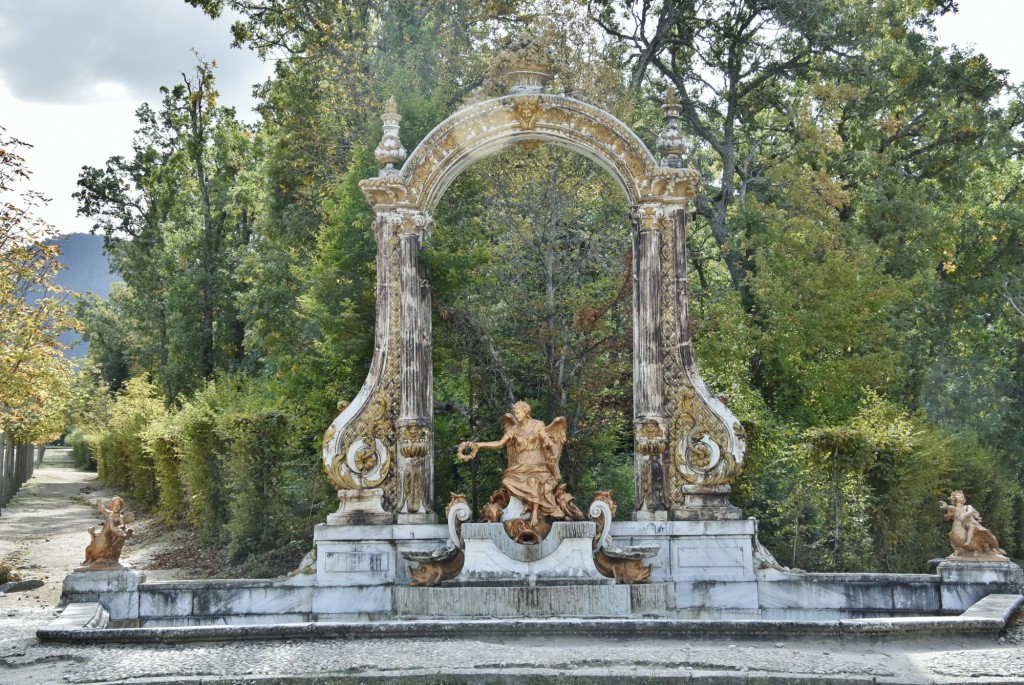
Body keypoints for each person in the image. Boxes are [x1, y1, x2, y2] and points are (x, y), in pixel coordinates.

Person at [458, 401, 569, 526]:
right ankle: (527, 504)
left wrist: (554, 454)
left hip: (537, 464)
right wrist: (480, 444)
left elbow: (549, 443)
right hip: (520, 465)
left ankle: (534, 514)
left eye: (518, 413)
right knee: (506, 480)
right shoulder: (513, 430)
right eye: (515, 413)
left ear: (526, 412)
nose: (516, 416)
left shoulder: (537, 425)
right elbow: (500, 444)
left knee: (533, 481)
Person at [938, 490, 1007, 560]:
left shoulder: (968, 506)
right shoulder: (954, 509)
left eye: (962, 496)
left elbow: (970, 512)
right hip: (963, 525)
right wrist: (947, 511)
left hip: (971, 523)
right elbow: (947, 516)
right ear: (953, 498)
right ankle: (960, 549)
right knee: (951, 534)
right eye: (958, 495)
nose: (961, 496)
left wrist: (964, 515)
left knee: (979, 529)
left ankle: (994, 548)